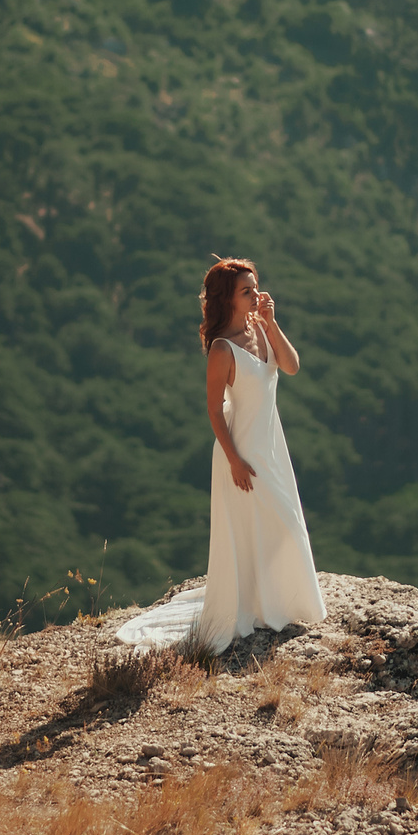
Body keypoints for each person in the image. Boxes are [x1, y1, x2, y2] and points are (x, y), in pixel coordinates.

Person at [115, 257, 327, 655]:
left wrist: (271, 322)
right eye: (247, 290)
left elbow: (293, 367)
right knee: (254, 527)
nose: (256, 294)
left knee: (287, 522)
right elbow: (214, 410)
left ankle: (279, 603)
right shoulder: (221, 350)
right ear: (228, 298)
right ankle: (255, 606)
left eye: (255, 287)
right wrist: (233, 459)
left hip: (272, 446)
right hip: (242, 449)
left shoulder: (262, 331)